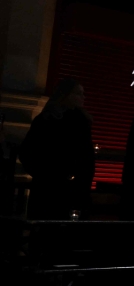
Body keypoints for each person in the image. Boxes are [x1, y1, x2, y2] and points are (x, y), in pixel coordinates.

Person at [19, 78, 95, 219]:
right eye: (78, 93)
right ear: (65, 94)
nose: (83, 97)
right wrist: (46, 175)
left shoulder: (81, 122)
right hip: (50, 189)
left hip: (72, 190)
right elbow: (27, 152)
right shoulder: (47, 120)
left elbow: (87, 159)